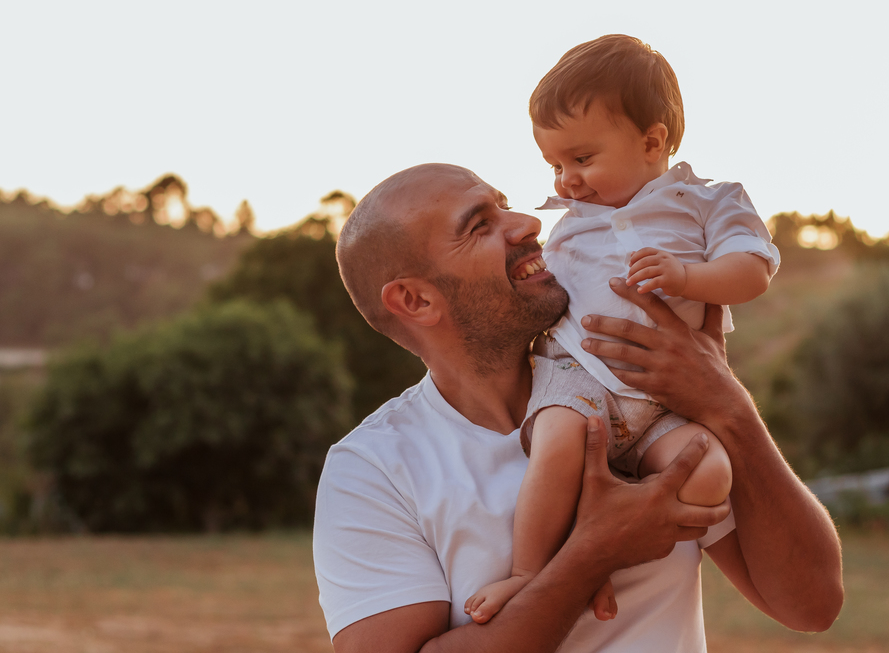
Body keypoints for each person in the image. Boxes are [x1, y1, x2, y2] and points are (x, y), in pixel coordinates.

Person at [313, 162, 843, 652]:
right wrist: (592, 555)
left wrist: (729, 404)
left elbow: (811, 605)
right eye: (478, 225)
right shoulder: (372, 469)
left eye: (504, 205)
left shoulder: (644, 396)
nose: (527, 224)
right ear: (416, 300)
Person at [467, 34, 780, 623]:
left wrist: (688, 278)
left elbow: (753, 270)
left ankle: (605, 545)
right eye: (556, 166)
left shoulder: (709, 202)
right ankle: (529, 572)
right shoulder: (570, 224)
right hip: (577, 377)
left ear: (652, 141)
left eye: (582, 159)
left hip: (667, 400)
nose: (567, 180)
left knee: (709, 474)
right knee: (559, 444)